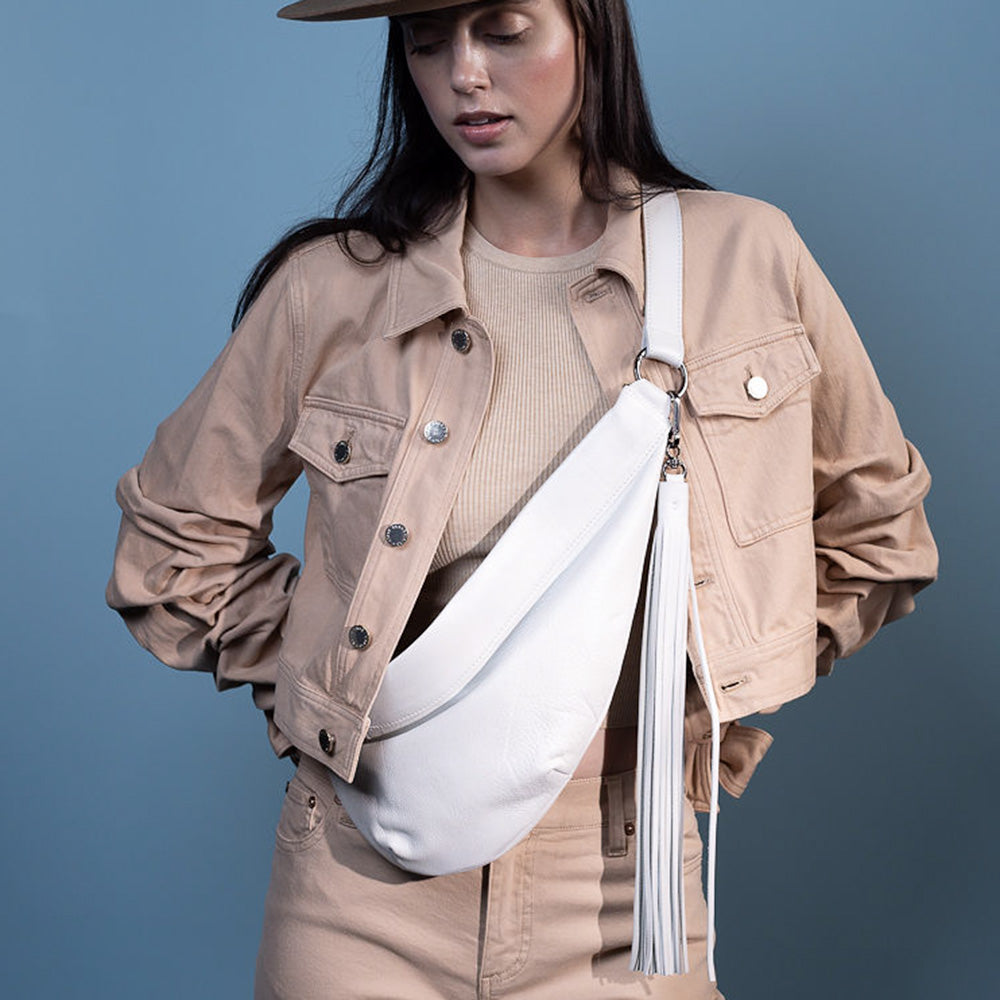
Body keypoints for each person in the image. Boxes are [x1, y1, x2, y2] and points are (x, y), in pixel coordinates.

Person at [106, 0, 938, 997]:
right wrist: (327, 681)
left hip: (625, 888)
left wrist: (712, 682)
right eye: (425, 38)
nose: (462, 73)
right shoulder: (332, 287)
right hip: (358, 892)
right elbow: (172, 550)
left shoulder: (739, 257)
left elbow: (880, 535)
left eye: (502, 27)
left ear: (591, 27)